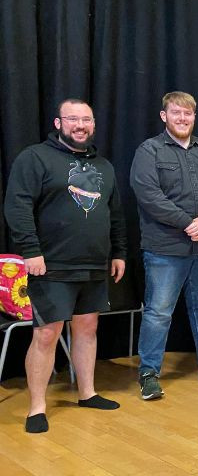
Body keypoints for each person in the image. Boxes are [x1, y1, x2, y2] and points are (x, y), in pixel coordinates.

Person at [4, 99, 127, 433]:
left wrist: (119, 252)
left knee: (87, 328)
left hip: (94, 263)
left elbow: (114, 214)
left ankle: (87, 393)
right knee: (46, 334)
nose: (80, 125)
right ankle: (36, 408)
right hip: (50, 264)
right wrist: (30, 250)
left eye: (86, 119)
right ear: (58, 123)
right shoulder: (35, 157)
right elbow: (17, 207)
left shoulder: (104, 165)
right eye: (72, 119)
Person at [131, 91, 198, 400]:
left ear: (194, 117)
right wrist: (187, 222)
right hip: (166, 248)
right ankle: (149, 372)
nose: (182, 118)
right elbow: (148, 195)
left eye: (187, 114)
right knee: (159, 311)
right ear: (164, 116)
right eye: (176, 113)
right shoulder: (148, 151)